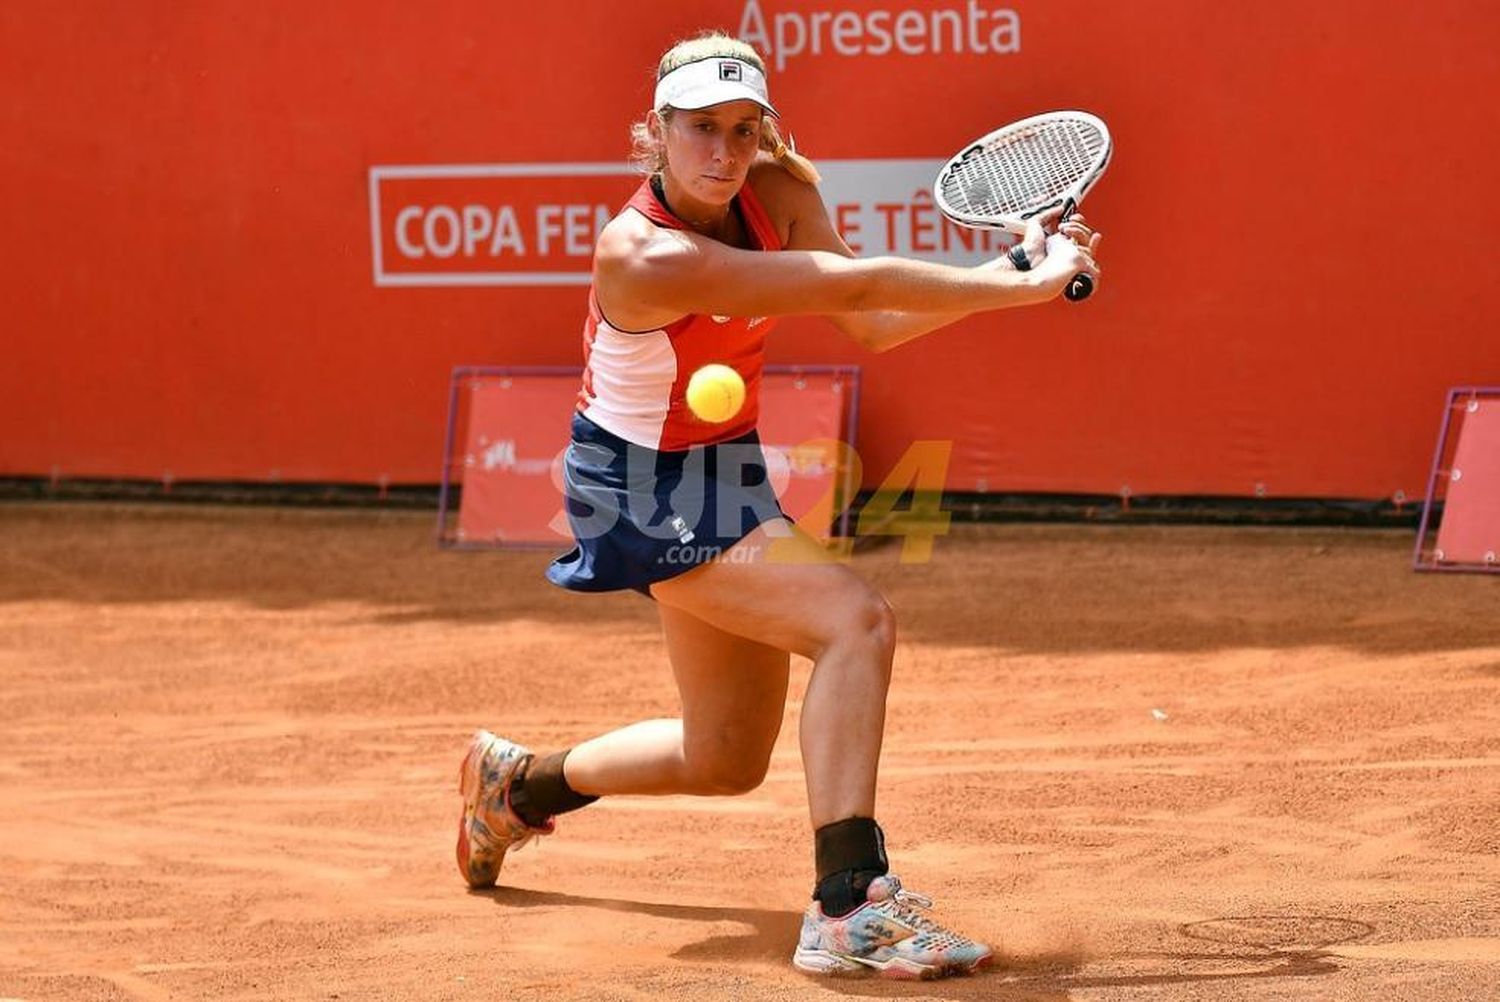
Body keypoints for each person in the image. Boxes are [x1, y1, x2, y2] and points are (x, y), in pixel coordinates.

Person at [456, 30, 1101, 980]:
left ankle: (515, 785)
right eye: (702, 129)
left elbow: (872, 322)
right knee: (855, 622)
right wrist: (1021, 286)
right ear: (659, 132)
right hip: (634, 488)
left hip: (721, 467)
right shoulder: (639, 254)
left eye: (743, 131)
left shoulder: (781, 194)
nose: (723, 153)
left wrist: (1012, 280)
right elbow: (853, 282)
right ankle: (849, 907)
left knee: (724, 757)